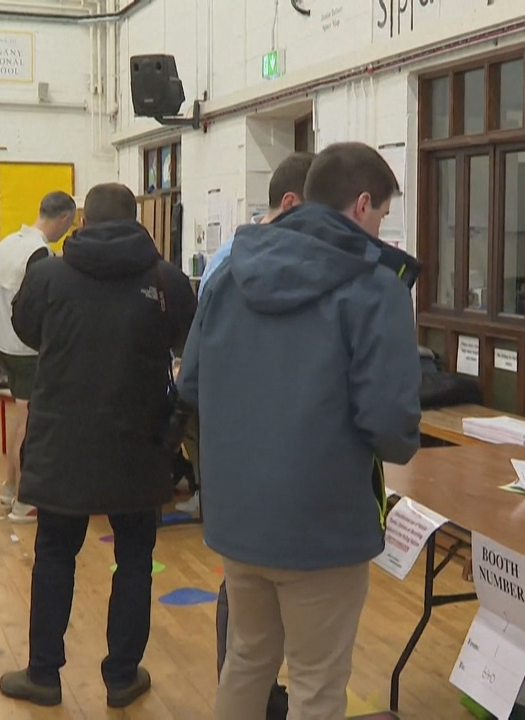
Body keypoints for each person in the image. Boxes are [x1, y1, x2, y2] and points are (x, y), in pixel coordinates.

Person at [179, 142, 422, 720]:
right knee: (317, 683)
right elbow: (390, 425)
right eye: (384, 215)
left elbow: (189, 385)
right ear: (363, 204)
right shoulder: (374, 285)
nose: (382, 229)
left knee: (247, 660)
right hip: (322, 522)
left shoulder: (230, 270)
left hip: (237, 517)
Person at [0, 183, 195, 709]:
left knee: (55, 555)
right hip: (140, 441)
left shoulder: (49, 273)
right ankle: (122, 677)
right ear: (136, 221)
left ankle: (43, 674)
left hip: (64, 437)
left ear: (84, 219)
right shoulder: (166, 280)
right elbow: (186, 343)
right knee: (134, 559)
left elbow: (27, 329)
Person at [186, 151, 314, 720]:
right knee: (249, 604)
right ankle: (255, 691)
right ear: (290, 204)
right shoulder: (239, 266)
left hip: (236, 455)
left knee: (247, 605)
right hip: (255, 450)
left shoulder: (226, 262)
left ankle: (251, 691)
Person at [0, 191, 77, 523]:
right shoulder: (39, 253)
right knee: (31, 423)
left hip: (4, 344)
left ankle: (10, 486)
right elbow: (42, 305)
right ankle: (25, 501)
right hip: (27, 349)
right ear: (64, 219)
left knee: (19, 415)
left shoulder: (7, 242)